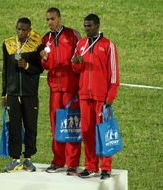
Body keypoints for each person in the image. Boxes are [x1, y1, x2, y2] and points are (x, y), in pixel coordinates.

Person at [72, 13, 119, 180]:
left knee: (103, 132)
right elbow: (76, 70)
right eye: (85, 26)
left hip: (101, 98)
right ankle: (91, 166)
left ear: (97, 25)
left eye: (89, 26)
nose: (86, 28)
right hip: (85, 95)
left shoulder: (108, 46)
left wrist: (110, 97)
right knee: (86, 131)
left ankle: (106, 168)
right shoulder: (81, 44)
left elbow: (114, 75)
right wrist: (76, 64)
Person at [39, 7, 81, 175]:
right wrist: (44, 59)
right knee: (56, 125)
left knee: (71, 125)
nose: (50, 22)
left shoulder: (72, 35)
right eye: (48, 19)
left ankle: (72, 164)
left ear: (59, 18)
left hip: (71, 88)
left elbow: (80, 61)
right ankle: (58, 161)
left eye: (53, 19)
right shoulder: (45, 39)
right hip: (55, 89)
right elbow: (46, 66)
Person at [2, 17, 44, 172]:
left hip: (30, 93)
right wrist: (3, 94)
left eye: (24, 30)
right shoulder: (8, 44)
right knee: (14, 127)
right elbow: (5, 70)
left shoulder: (35, 45)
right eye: (18, 29)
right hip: (13, 94)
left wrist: (27, 66)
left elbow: (40, 69)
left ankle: (28, 158)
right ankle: (15, 159)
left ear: (29, 30)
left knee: (30, 126)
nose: (21, 32)